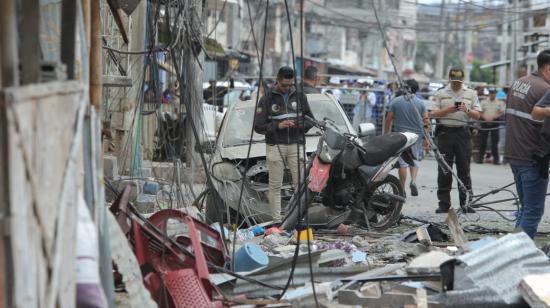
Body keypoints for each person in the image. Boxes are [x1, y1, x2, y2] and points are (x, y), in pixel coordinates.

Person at [254, 67, 314, 222]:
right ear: (278, 80)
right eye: (284, 85)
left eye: (290, 85)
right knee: (275, 186)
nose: (287, 88)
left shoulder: (300, 96)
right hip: (275, 145)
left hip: (296, 144)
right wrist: (277, 126)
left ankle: (298, 220)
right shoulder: (267, 98)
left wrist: (300, 125)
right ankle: (277, 221)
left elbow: (310, 120)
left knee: (300, 185)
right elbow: (258, 127)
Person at [505, 49, 550, 238]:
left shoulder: (518, 83)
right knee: (533, 211)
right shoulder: (544, 89)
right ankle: (519, 255)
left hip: (514, 153)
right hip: (532, 157)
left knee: (525, 208)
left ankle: (511, 250)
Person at [429, 68, 481, 213]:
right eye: (454, 81)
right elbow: (431, 114)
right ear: (449, 79)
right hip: (445, 133)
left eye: (458, 81)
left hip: (463, 133)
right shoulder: (441, 93)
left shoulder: (471, 93)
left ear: (463, 79)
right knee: (444, 169)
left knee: (464, 169)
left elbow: (477, 115)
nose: (456, 84)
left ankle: (466, 203)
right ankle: (444, 204)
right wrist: (449, 110)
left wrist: (467, 110)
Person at [384, 79, 428, 196]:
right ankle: (413, 181)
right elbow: (426, 121)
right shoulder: (421, 103)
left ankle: (402, 189)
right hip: (416, 136)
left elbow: (389, 119)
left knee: (402, 163)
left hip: (401, 136)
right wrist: (426, 138)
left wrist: (386, 133)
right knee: (414, 160)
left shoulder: (395, 101)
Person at [477, 88, 505, 164]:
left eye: (494, 93)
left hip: (495, 122)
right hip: (485, 122)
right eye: (491, 93)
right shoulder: (483, 101)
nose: (492, 94)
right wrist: (485, 117)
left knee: (494, 142)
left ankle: (496, 160)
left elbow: (502, 112)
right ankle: (480, 159)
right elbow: (480, 111)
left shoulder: (500, 102)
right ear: (489, 93)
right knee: (483, 141)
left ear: (496, 93)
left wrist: (494, 117)